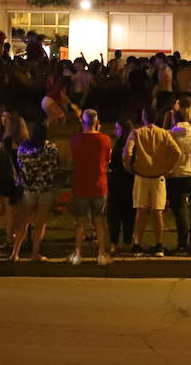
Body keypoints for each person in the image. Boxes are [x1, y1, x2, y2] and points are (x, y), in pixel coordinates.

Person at [123, 106, 182, 257]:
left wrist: (129, 166)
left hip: (141, 175)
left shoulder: (136, 133)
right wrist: (168, 167)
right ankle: (159, 245)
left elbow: (127, 152)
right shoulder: (164, 134)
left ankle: (137, 244)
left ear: (143, 117)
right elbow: (177, 152)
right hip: (158, 176)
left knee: (140, 210)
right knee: (158, 212)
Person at [69, 109, 112, 266]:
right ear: (97, 122)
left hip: (81, 184)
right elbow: (107, 159)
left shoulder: (75, 140)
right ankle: (101, 253)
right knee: (100, 222)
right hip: (99, 185)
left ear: (82, 122)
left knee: (80, 223)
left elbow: (72, 159)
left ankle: (78, 253)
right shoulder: (105, 139)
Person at [12, 122, 59, 262]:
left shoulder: (24, 148)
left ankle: (15, 253)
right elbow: (55, 165)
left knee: (23, 222)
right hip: (45, 188)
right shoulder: (50, 148)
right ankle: (34, 253)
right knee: (40, 223)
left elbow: (19, 165)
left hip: (29, 188)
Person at [165, 106, 191, 254]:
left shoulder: (169, 134)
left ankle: (182, 243)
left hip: (175, 176)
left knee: (179, 211)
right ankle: (188, 241)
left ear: (174, 119)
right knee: (187, 211)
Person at [106, 120, 135, 255]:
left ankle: (114, 243)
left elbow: (112, 164)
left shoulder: (120, 147)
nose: (115, 131)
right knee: (128, 214)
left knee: (115, 214)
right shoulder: (133, 145)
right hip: (129, 182)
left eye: (118, 129)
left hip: (117, 183)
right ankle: (127, 242)